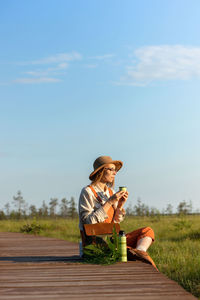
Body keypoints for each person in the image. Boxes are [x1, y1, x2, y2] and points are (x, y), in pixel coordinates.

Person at [79, 155, 157, 270]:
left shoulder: (110, 192)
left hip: (113, 239)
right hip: (96, 245)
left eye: (115, 170)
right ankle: (138, 256)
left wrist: (120, 205)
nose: (114, 172)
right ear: (100, 171)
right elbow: (88, 223)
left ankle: (139, 252)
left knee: (147, 231)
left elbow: (115, 222)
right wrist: (110, 202)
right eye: (111, 169)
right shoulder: (87, 191)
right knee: (132, 253)